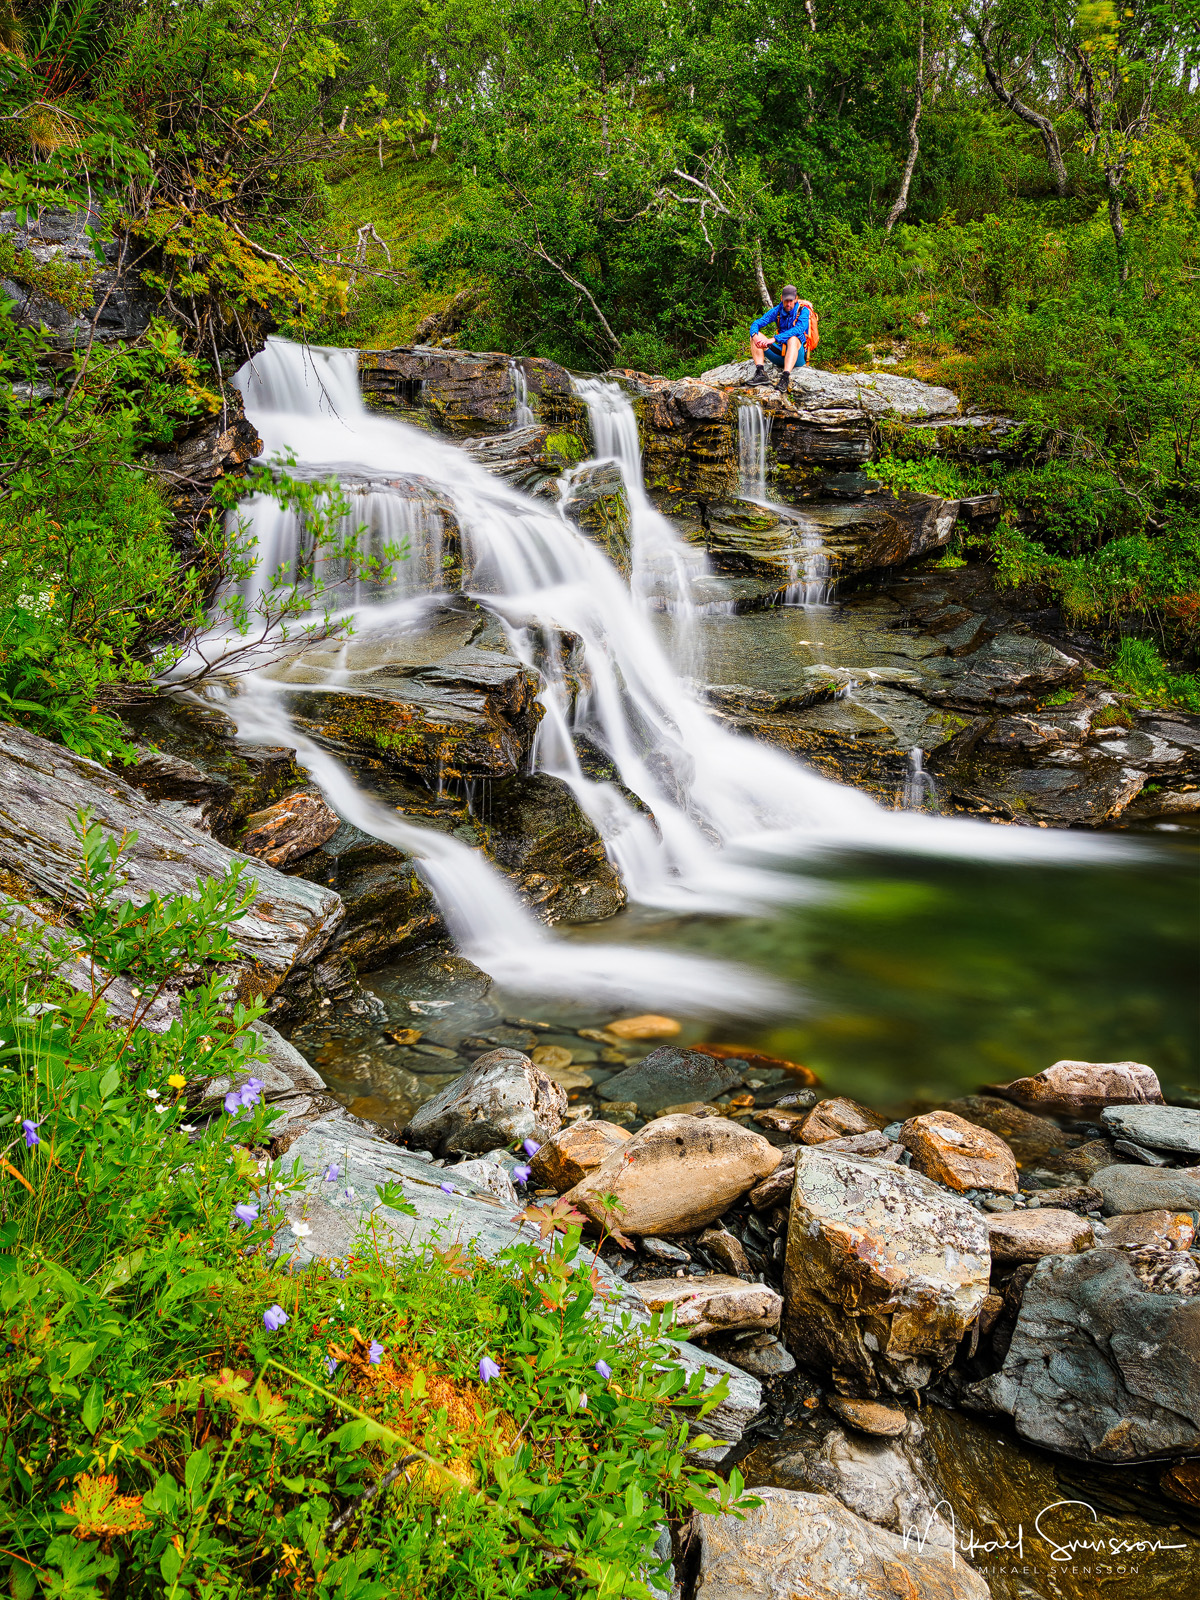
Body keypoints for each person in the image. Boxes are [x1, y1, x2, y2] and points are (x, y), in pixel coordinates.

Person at [748, 285, 809, 392]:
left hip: (797, 358)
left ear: (796, 299)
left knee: (793, 338)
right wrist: (755, 336)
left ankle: (785, 378)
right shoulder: (778, 310)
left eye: (791, 300)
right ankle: (760, 373)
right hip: (781, 354)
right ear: (782, 299)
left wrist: (774, 339)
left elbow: (798, 330)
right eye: (786, 301)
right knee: (755, 336)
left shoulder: (803, 311)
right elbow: (757, 323)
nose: (788, 304)